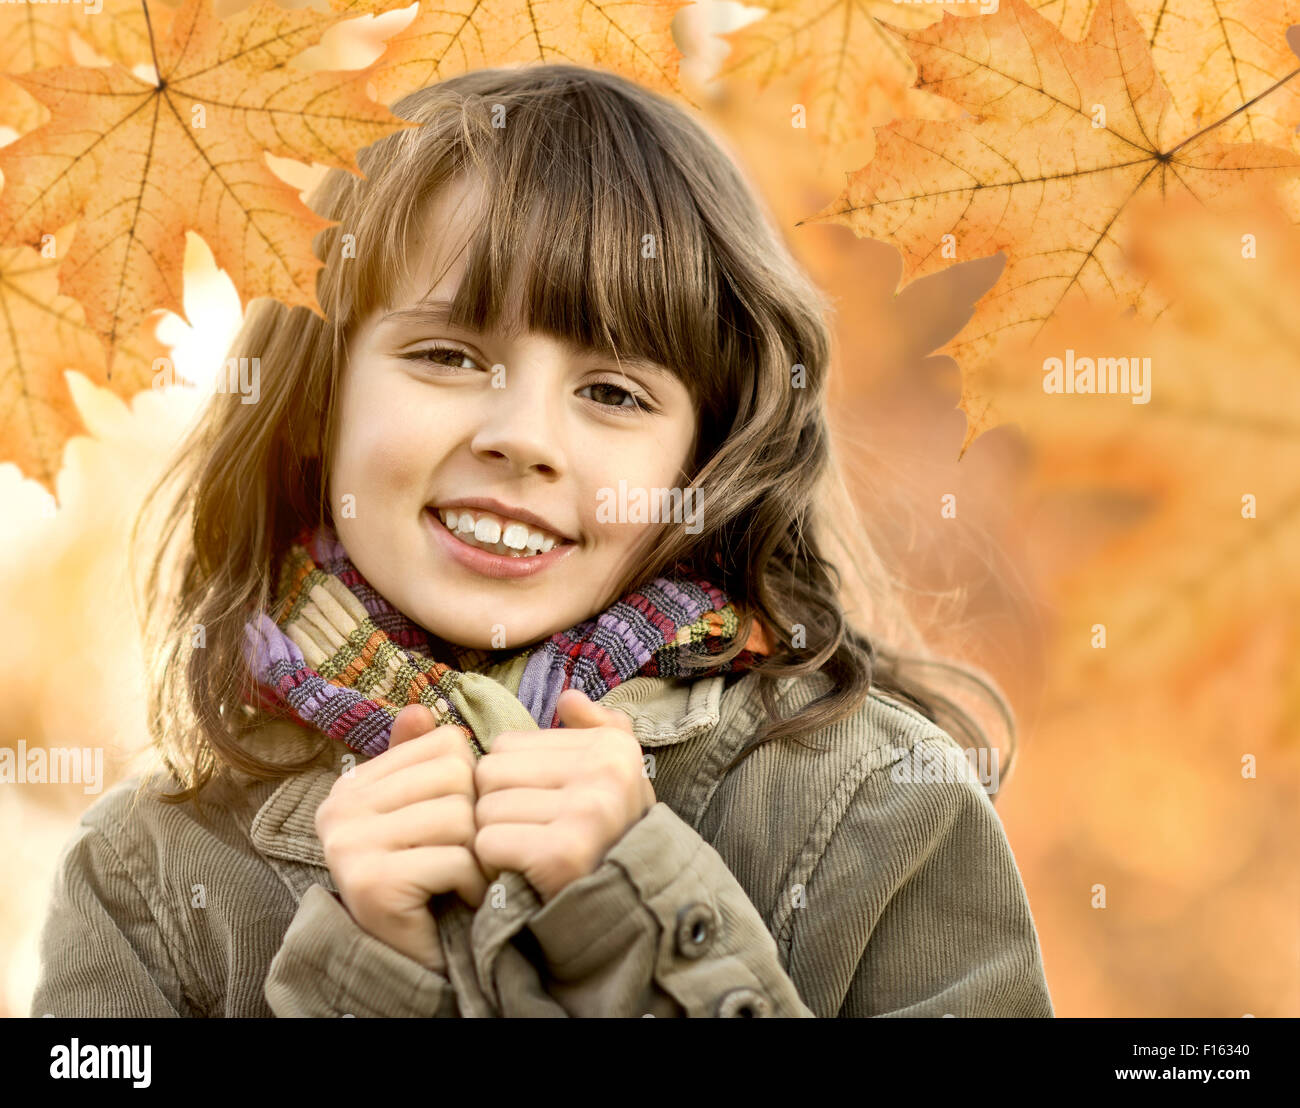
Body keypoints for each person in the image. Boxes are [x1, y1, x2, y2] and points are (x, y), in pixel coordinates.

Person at [29, 64, 1052, 1017]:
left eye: (612, 392)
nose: (520, 437)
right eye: (446, 353)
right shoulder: (145, 874)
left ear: (704, 460)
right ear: (318, 392)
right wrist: (365, 973)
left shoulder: (879, 805)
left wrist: (649, 917)